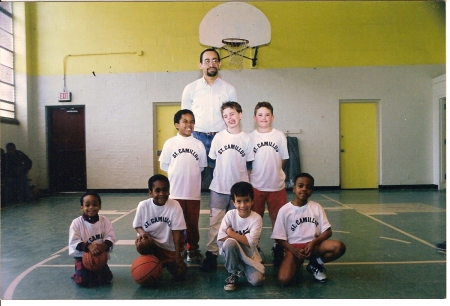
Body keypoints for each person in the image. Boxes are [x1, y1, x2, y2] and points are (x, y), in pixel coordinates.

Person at [200, 101, 254, 272]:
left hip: (238, 192)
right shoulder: (218, 137)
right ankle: (212, 254)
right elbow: (212, 161)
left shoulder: (247, 138)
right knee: (215, 223)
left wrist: (246, 188)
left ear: (240, 115)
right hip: (218, 188)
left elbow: (250, 166)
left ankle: (236, 254)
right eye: (225, 116)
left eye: (232, 114)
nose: (229, 118)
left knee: (237, 225)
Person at [271, 173, 346, 285]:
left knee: (339, 247)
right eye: (300, 186)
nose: (304, 189)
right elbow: (278, 238)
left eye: (308, 187)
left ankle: (315, 264)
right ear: (294, 189)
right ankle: (296, 262)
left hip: (314, 246)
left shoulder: (316, 207)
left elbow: (328, 231)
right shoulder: (285, 210)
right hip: (294, 249)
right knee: (284, 280)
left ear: (312, 190)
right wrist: (294, 251)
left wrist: (313, 243)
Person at [181, 48, 237, 188]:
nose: (211, 64)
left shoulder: (229, 89)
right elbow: (185, 117)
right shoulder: (191, 89)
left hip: (221, 138)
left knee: (223, 180)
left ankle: (223, 210)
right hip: (196, 138)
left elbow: (233, 119)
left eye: (214, 60)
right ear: (200, 65)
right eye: (207, 61)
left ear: (219, 64)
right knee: (192, 181)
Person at [159, 109, 208, 263]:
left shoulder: (199, 144)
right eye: (185, 121)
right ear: (176, 124)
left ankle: (192, 249)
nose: (189, 124)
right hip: (175, 193)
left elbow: (201, 167)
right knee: (177, 224)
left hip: (193, 193)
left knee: (193, 224)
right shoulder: (170, 143)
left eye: (192, 121)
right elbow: (165, 166)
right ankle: (177, 250)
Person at [249, 101, 290, 267]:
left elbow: (283, 158)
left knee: (279, 220)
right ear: (254, 118)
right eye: (260, 115)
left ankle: (278, 248)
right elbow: (248, 162)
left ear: (272, 117)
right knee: (254, 220)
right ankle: (255, 248)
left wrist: (275, 173)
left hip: (277, 186)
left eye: (267, 114)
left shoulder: (279, 135)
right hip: (256, 186)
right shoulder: (250, 137)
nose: (263, 118)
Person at [132, 174, 187, 280]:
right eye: (157, 190)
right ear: (150, 193)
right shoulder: (143, 206)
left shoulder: (175, 205)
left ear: (169, 191)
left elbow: (177, 233)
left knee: (181, 274)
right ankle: (150, 260)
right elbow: (137, 225)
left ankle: (164, 261)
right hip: (150, 244)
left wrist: (177, 256)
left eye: (165, 190)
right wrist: (142, 233)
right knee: (143, 242)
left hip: (168, 247)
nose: (161, 194)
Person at [218, 181, 265, 291]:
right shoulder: (230, 215)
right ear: (233, 202)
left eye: (246, 201)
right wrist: (240, 240)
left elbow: (251, 243)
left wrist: (230, 233)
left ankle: (243, 268)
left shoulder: (256, 218)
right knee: (229, 243)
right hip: (232, 253)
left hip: (250, 256)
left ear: (252, 201)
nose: (243, 205)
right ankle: (233, 273)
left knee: (257, 281)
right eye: (239, 201)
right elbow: (221, 238)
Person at [68, 191, 116, 287]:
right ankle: (77, 274)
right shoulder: (76, 223)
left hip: (99, 256)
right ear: (81, 207)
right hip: (82, 258)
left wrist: (104, 246)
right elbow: (74, 242)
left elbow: (110, 237)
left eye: (94, 204)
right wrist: (89, 246)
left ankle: (94, 272)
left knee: (107, 279)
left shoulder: (105, 221)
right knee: (83, 281)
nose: (91, 207)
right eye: (87, 205)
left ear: (99, 206)